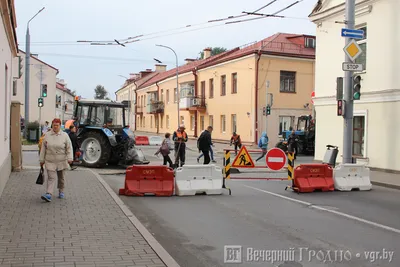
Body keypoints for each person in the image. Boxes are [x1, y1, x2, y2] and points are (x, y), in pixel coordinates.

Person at [39, 118, 73, 202]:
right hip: (50, 160)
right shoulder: (47, 135)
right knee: (51, 177)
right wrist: (41, 160)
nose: (55, 127)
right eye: (54, 125)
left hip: (61, 160)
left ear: (60, 126)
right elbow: (43, 148)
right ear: (52, 125)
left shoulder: (65, 135)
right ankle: (49, 194)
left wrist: (70, 158)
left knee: (61, 178)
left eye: (57, 125)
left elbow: (69, 147)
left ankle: (61, 190)